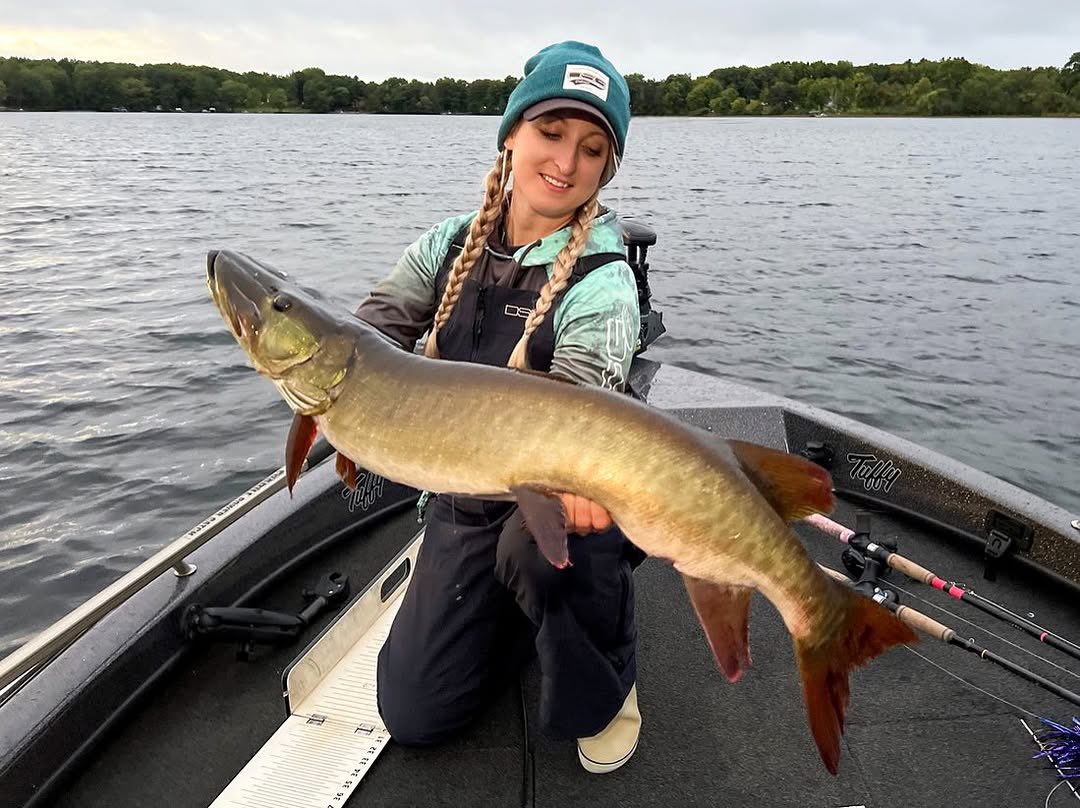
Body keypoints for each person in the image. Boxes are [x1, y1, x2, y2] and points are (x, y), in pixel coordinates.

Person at [354, 40, 643, 774]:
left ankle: (608, 677)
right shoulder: (451, 242)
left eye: (591, 147)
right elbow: (371, 334)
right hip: (462, 499)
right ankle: (518, 617)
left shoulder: (604, 282)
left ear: (606, 167)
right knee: (413, 713)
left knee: (543, 559)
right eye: (550, 132)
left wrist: (573, 495)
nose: (565, 162)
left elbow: (583, 425)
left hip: (562, 502)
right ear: (511, 134)